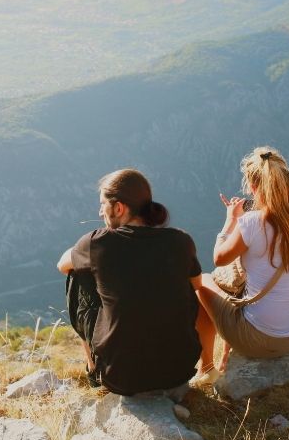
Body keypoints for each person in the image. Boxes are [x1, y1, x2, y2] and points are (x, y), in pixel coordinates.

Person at [57, 168, 202, 396]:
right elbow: (197, 285)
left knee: (77, 274)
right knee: (186, 281)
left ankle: (94, 369)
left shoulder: (97, 243)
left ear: (119, 208)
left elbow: (62, 264)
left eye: (103, 204)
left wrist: (86, 254)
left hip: (122, 378)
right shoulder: (181, 240)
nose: (100, 211)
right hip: (179, 372)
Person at [194, 147, 289, 382]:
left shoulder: (251, 223)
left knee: (202, 281)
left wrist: (230, 220)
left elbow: (219, 258)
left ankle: (207, 369)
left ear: (253, 188)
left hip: (259, 339)